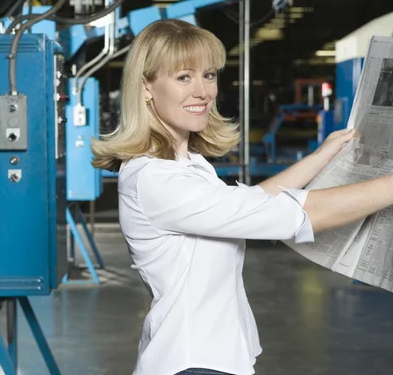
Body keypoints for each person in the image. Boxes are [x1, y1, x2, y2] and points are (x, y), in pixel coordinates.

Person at [90, 18, 393, 375]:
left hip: (213, 354)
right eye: (183, 77)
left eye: (210, 75)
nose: (202, 91)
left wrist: (320, 156)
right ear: (146, 87)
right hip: (192, 360)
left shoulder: (188, 164)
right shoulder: (156, 178)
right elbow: (296, 215)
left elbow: (250, 203)